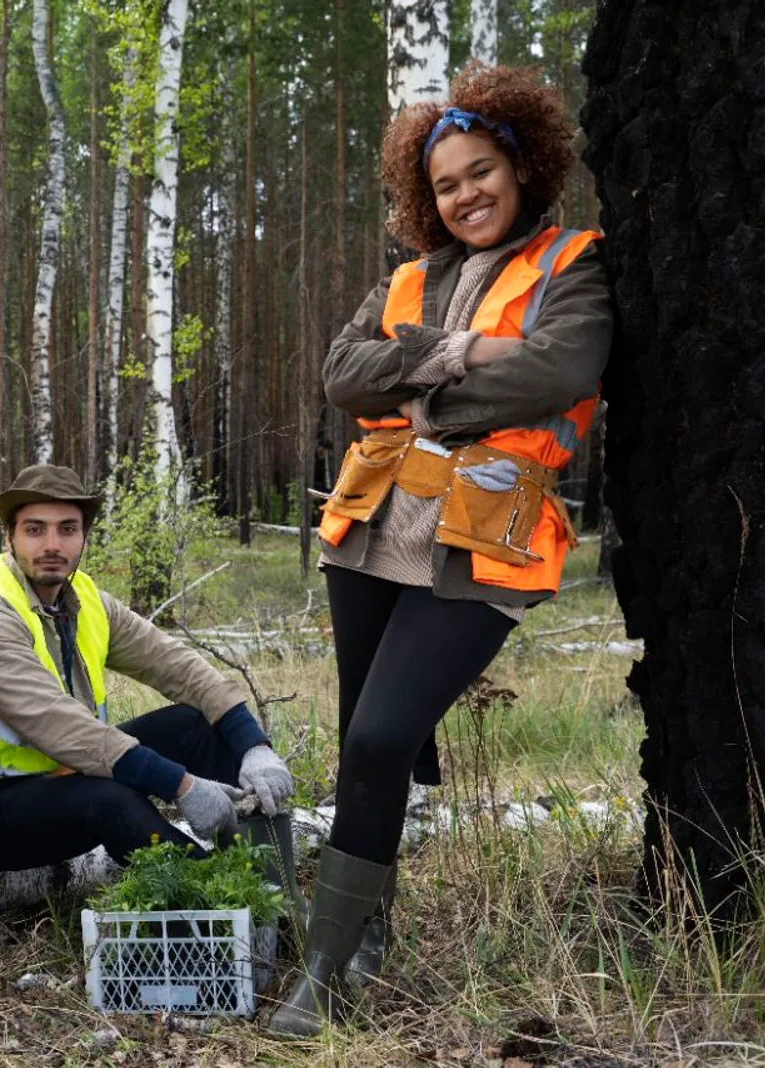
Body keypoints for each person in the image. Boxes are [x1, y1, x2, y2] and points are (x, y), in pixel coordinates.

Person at [268, 65, 612, 1036]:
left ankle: (332, 964)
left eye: (481, 172)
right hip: (371, 532)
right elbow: (342, 373)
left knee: (382, 738)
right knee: (360, 749)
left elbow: (559, 371)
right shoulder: (407, 277)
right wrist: (462, 354)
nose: (465, 195)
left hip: (483, 547)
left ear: (523, 165)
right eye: (446, 183)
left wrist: (413, 387)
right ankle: (342, 952)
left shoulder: (573, 264)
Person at [0, 464, 296, 874]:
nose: (52, 544)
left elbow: (175, 665)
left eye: (67, 529)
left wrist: (253, 745)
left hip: (66, 776)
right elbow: (65, 728)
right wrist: (183, 786)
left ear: (84, 537)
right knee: (113, 799)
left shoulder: (84, 599)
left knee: (192, 726)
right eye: (35, 530)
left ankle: (269, 877)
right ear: (9, 537)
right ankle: (221, 897)